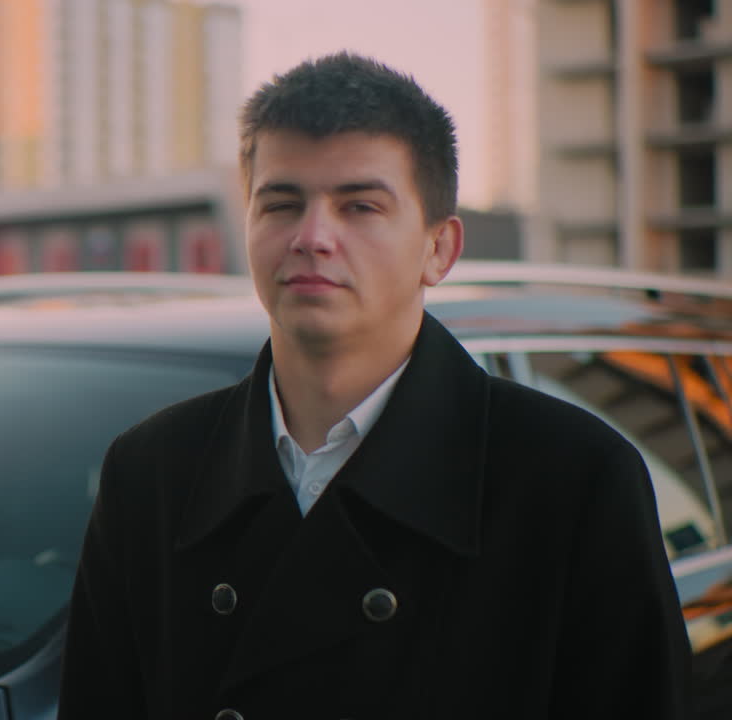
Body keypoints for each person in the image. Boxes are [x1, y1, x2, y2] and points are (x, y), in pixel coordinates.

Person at [57, 52, 691, 719]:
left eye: (359, 205)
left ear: (438, 249)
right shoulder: (151, 472)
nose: (312, 237)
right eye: (281, 203)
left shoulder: (574, 480)